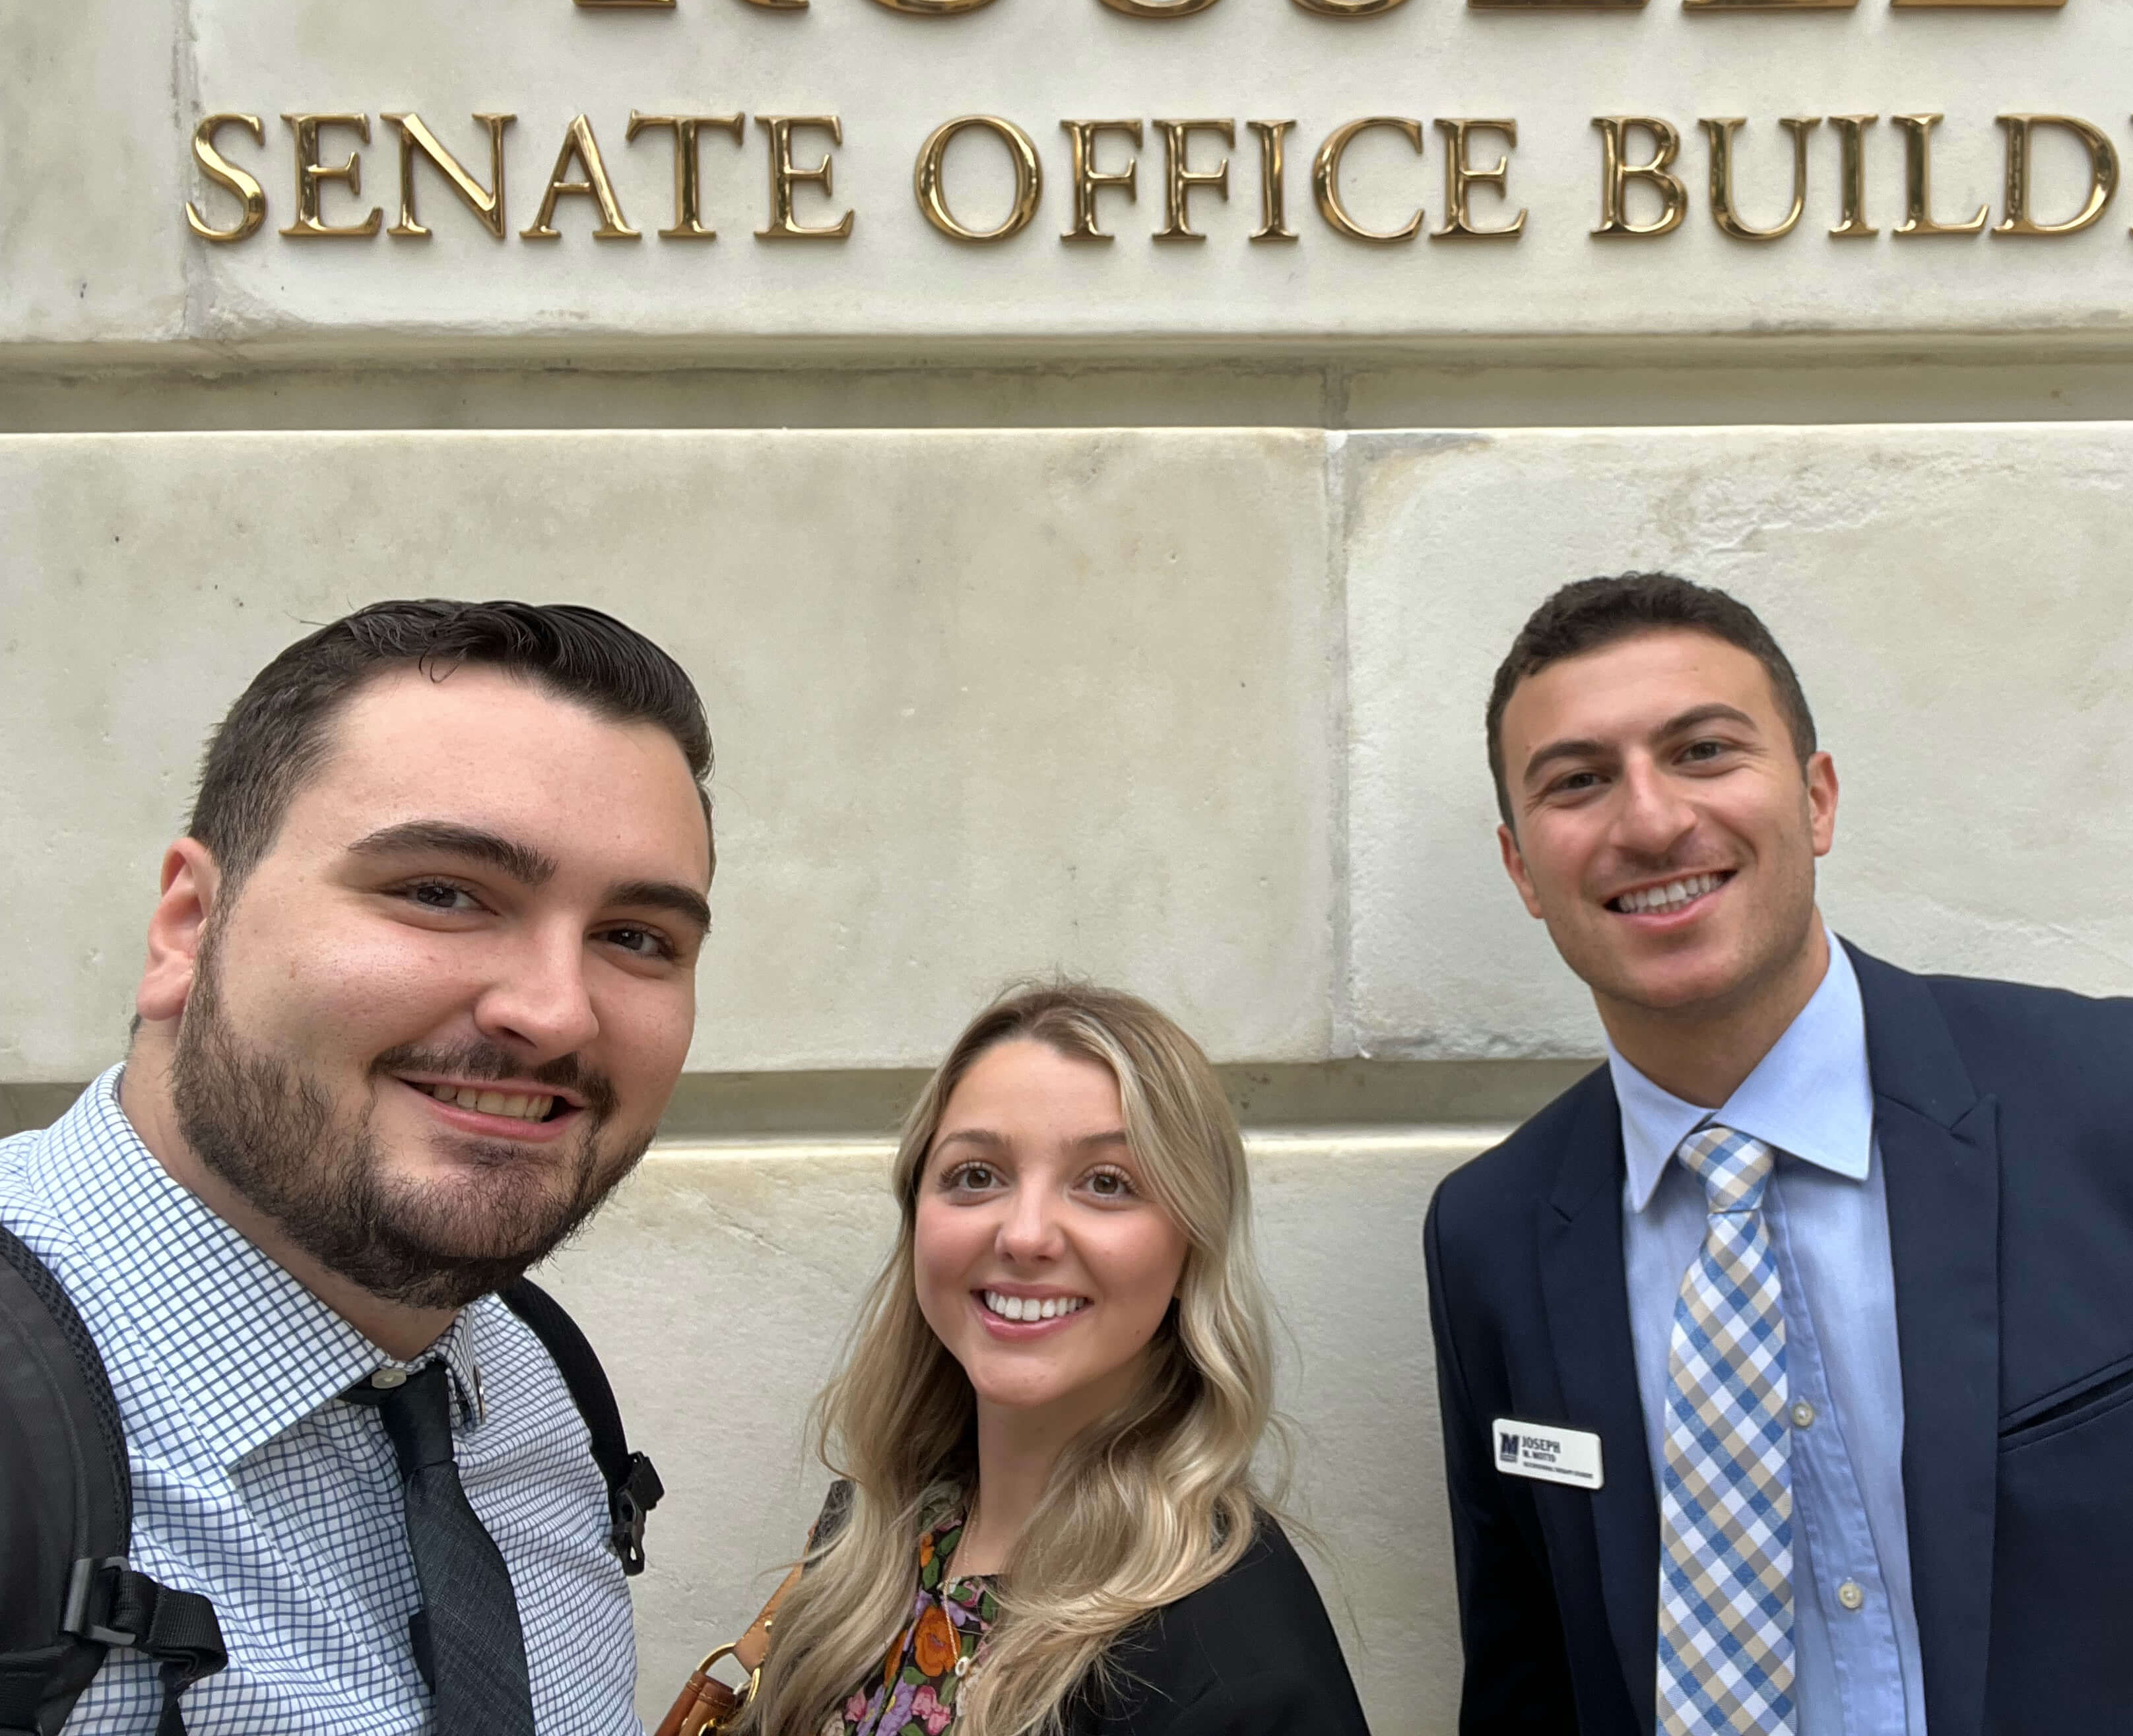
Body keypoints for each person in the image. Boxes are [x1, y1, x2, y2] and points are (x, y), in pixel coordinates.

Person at [1422, 572, 2133, 1736]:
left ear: (1816, 800)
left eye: (1704, 750)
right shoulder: (1495, 1230)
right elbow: (1532, 1689)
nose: (1650, 818)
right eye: (1577, 780)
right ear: (1524, 866)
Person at [0, 599, 717, 1734]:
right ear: (188, 925)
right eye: (440, 890)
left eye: (636, 936)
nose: (554, 1010)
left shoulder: (530, 1377)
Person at [735, 981, 1371, 1736]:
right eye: (976, 1175)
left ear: (1191, 1250)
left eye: (1106, 1183)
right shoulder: (871, 1531)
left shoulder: (1229, 1657)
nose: (1025, 1234)